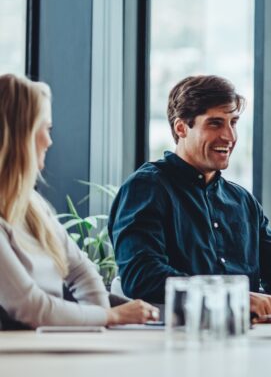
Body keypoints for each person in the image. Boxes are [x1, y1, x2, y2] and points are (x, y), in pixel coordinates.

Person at [109, 75, 271, 322]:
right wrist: (232, 297)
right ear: (181, 128)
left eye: (233, 122)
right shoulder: (147, 187)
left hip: (249, 341)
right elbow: (142, 276)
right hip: (175, 343)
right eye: (215, 124)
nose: (229, 136)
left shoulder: (242, 201)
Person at [0, 74, 159, 329]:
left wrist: (98, 321)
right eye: (46, 129)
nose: (50, 141)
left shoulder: (33, 207)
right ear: (22, 136)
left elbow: (81, 271)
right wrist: (111, 316)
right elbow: (30, 306)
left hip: (44, 347)